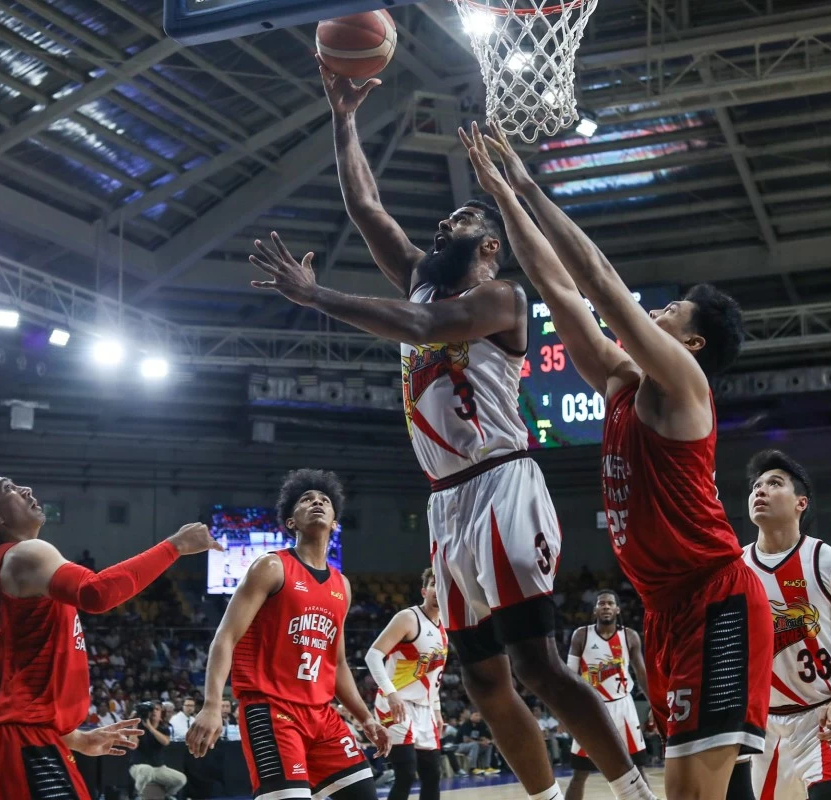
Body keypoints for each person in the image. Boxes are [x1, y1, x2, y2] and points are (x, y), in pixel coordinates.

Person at [239, 62, 656, 800]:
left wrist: (314, 295)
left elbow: (426, 326)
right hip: (446, 501)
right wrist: (343, 118)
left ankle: (632, 791)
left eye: (457, 225)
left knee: (537, 664)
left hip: (502, 482)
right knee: (483, 676)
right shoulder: (425, 277)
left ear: (490, 246)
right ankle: (549, 797)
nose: (440, 230)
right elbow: (367, 207)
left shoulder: (501, 296)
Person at [458, 121, 771, 800]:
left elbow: (599, 283)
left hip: (715, 600)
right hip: (663, 610)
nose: (651, 311)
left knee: (691, 793)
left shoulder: (686, 388)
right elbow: (562, 293)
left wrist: (530, 183)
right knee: (705, 785)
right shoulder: (623, 386)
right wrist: (505, 197)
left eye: (669, 310)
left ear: (690, 341)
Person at [0, 471, 222, 799]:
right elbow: (98, 592)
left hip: (9, 739)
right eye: (9, 488)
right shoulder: (25, 553)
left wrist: (74, 737)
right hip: (19, 739)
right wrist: (175, 546)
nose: (26, 488)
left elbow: (13, 684)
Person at [186, 469, 390, 800]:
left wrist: (367, 719)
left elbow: (336, 664)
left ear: (335, 523)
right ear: (291, 522)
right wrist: (212, 704)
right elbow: (225, 636)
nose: (317, 502)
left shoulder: (342, 586)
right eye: (306, 499)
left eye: (324, 500)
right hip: (271, 709)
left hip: (323, 716)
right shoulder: (271, 567)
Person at [741, 450, 831, 800]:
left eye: (774, 483)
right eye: (756, 486)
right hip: (763, 727)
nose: (761, 491)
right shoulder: (735, 569)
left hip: (822, 717)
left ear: (801, 502)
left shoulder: (830, 562)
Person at [366, 567, 448, 800]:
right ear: (424, 590)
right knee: (406, 774)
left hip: (425, 709)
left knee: (433, 775)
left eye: (442, 585)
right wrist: (391, 694)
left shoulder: (443, 629)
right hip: (396, 704)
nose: (437, 589)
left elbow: (433, 678)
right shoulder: (408, 618)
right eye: (433, 584)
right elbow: (372, 655)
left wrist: (437, 711)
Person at [566, 591, 651, 800]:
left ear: (617, 609)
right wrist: (566, 712)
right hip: (591, 709)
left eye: (610, 603)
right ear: (595, 609)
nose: (605, 607)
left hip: (624, 707)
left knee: (637, 768)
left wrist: (654, 707)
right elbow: (568, 676)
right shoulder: (581, 635)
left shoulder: (629, 636)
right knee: (580, 772)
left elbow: (641, 673)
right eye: (601, 603)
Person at [131, 702, 188, 798]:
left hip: (158, 768)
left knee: (181, 779)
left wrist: (150, 727)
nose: (154, 711)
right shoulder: (139, 728)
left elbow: (165, 742)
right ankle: (139, 794)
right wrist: (134, 725)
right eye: (151, 709)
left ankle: (166, 795)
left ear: (161, 714)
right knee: (146, 770)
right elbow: (133, 745)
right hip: (138, 767)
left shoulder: (164, 729)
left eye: (157, 709)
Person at [455, 709, 498, 775]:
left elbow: (481, 736)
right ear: (471, 716)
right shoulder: (466, 724)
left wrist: (487, 741)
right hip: (460, 746)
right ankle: (472, 768)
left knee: (488, 746)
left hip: (473, 746)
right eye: (476, 715)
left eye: (480, 715)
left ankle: (487, 767)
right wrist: (480, 743)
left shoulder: (480, 724)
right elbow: (466, 740)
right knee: (474, 745)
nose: (479, 717)